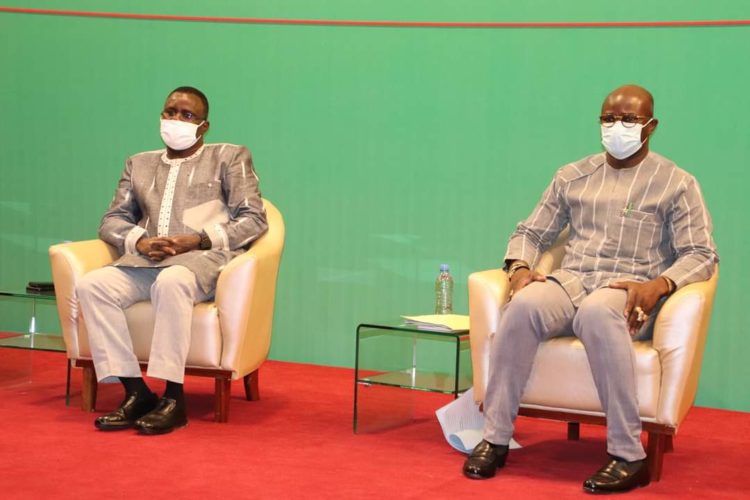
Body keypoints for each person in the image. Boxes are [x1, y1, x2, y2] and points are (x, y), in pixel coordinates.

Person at [463, 85, 718, 493]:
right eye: (608, 119)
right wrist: (520, 268)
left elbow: (701, 254)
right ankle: (494, 438)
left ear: (651, 126)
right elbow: (531, 231)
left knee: (597, 314)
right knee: (523, 306)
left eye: (629, 120)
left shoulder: (677, 183)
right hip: (574, 280)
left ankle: (628, 455)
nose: (617, 127)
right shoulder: (573, 176)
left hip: (628, 288)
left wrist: (660, 284)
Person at [77, 86, 268, 435]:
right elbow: (112, 220)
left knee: (172, 280)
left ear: (204, 126)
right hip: (145, 262)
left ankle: (174, 398)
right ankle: (136, 392)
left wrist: (196, 240)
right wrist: (140, 240)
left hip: (202, 261)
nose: (176, 119)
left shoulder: (229, 156)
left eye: (187, 115)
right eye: (170, 112)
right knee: (92, 285)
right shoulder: (138, 163)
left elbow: (254, 220)